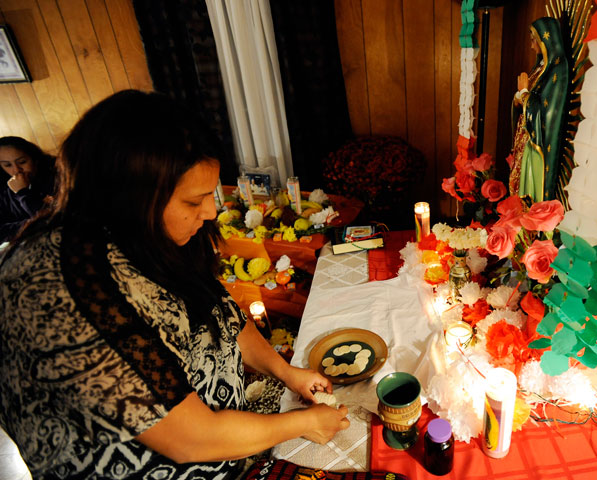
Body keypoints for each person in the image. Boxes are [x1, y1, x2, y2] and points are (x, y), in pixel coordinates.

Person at [0, 90, 350, 479]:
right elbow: (188, 438)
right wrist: (304, 423)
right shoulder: (65, 288)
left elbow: (221, 314)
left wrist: (286, 373)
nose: (210, 211)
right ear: (129, 195)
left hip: (222, 449)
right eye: (193, 201)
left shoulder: (148, 233)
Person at [508, 17, 569, 204]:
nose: (532, 46)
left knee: (527, 194)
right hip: (524, 140)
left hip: (535, 146)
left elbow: (547, 113)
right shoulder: (541, 67)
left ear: (546, 41)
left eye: (535, 40)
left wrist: (525, 94)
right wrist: (519, 99)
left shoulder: (558, 71)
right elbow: (527, 101)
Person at [0, 136, 57, 243]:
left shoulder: (56, 176)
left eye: (22, 162)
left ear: (34, 159)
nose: (17, 170)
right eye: (7, 165)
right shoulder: (4, 189)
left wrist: (22, 193)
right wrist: (32, 224)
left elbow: (53, 220)